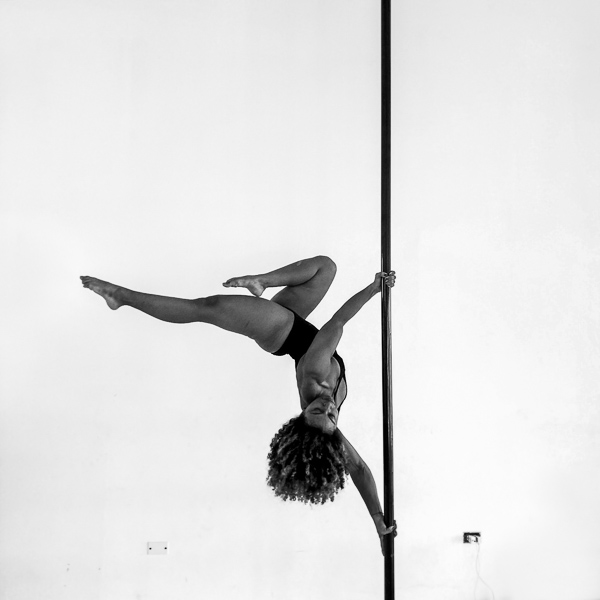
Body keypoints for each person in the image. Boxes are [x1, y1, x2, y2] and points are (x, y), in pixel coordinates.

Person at [80, 255, 396, 552]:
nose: (327, 405)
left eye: (316, 408)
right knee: (325, 268)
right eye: (330, 414)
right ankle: (261, 282)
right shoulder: (324, 429)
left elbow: (339, 322)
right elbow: (359, 469)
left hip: (279, 329)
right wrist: (378, 521)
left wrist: (375, 287)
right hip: (298, 325)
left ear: (302, 415)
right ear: (331, 430)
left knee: (205, 307)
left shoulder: (314, 374)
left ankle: (121, 296)